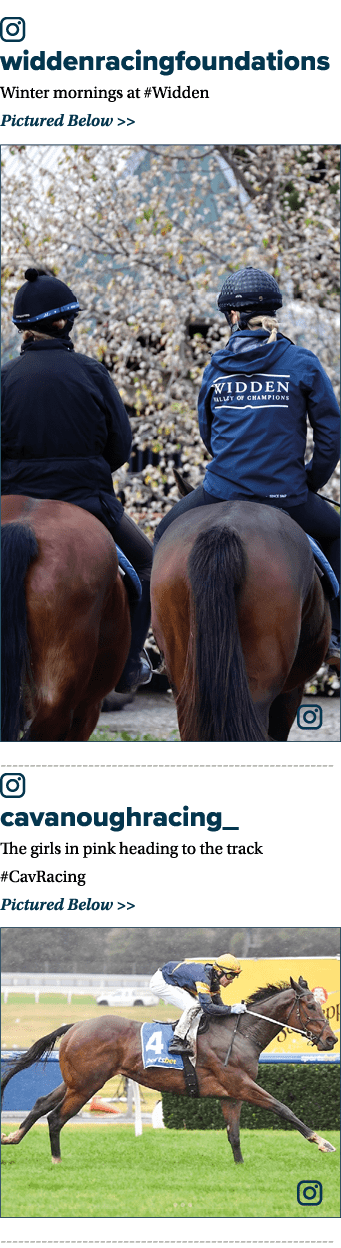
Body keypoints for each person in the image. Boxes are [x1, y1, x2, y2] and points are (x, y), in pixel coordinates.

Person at [154, 267, 340, 668]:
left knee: (163, 532)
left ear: (233, 317)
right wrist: (309, 481)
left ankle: (162, 633)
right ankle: (337, 633)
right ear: (273, 312)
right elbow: (331, 435)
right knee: (338, 533)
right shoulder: (302, 362)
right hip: (287, 495)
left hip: (221, 490)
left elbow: (208, 433)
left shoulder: (216, 367)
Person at [1, 268, 153, 692]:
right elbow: (120, 448)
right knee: (147, 562)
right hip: (85, 501)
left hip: (10, 497)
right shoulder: (91, 372)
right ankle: (128, 664)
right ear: (64, 322)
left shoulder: (3, 378)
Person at [150, 953, 246, 1054]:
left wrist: (232, 1011)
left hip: (173, 981)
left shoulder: (214, 981)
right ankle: (176, 1042)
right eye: (230, 975)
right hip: (161, 982)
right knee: (194, 1006)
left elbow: (218, 1006)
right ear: (219, 971)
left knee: (199, 1011)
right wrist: (231, 1009)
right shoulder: (203, 978)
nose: (231, 981)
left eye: (235, 976)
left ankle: (189, 1038)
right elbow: (208, 1007)